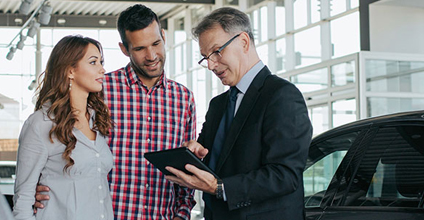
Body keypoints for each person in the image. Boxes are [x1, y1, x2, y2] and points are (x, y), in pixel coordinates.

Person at [34, 4, 197, 220]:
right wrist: (40, 186)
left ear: (164, 36)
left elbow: (186, 169)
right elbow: (57, 142)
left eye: (156, 43)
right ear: (124, 49)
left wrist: (182, 214)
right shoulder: (99, 90)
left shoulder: (183, 99)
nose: (151, 55)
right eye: (139, 49)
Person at [165, 7, 312, 220]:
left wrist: (219, 187)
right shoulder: (218, 105)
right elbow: (212, 162)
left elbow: (285, 176)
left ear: (243, 42)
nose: (211, 65)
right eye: (206, 57)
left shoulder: (281, 96)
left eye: (217, 51)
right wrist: (195, 154)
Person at [13, 35, 113, 220]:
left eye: (101, 61)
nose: (102, 69)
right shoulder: (40, 124)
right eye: (93, 62)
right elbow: (23, 199)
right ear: (70, 71)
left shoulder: (97, 120)